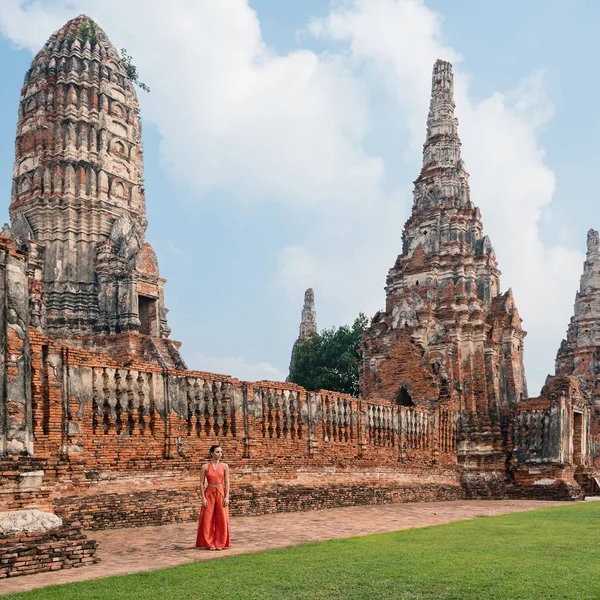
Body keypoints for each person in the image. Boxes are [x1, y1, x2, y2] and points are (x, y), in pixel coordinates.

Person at [195, 445, 230, 550]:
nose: (220, 454)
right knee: (207, 518)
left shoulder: (224, 466)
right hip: (209, 492)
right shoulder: (205, 467)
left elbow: (227, 482)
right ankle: (209, 542)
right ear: (211, 453)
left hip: (220, 492)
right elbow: (201, 483)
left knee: (222, 518)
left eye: (221, 452)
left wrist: (227, 496)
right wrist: (203, 498)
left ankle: (220, 542)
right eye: (217, 452)